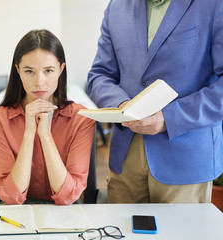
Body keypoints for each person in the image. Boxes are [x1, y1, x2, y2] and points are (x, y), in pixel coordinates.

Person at [87, 0, 223, 203]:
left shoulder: (214, 4)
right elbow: (100, 75)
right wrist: (122, 105)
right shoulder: (115, 7)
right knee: (123, 234)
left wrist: (169, 118)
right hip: (125, 157)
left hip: (185, 159)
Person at [0, 29, 96, 205]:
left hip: (64, 216)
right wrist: (29, 133)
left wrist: (45, 135)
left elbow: (68, 196)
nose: (39, 82)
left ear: (61, 69)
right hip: (18, 216)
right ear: (18, 70)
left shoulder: (82, 118)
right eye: (29, 71)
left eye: (49, 71)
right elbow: (11, 197)